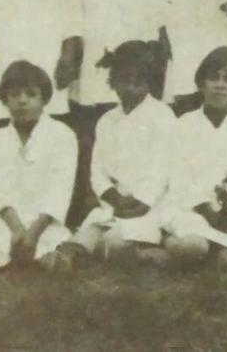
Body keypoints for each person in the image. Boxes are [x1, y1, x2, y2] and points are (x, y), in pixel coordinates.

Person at [66, 41, 175, 262]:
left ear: (149, 82)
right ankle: (70, 255)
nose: (130, 88)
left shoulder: (162, 116)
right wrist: (112, 197)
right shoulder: (107, 120)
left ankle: (148, 254)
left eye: (138, 81)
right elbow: (97, 170)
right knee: (89, 233)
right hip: (115, 203)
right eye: (123, 81)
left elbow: (162, 171)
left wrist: (141, 202)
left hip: (149, 205)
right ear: (112, 82)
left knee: (113, 241)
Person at [162, 47, 227, 266]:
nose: (220, 85)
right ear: (201, 83)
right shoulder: (184, 124)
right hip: (192, 208)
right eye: (213, 77)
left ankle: (208, 255)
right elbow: (179, 178)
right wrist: (205, 208)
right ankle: (187, 248)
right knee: (192, 244)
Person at [0, 62, 77, 272]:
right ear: (5, 100)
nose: (22, 101)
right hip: (4, 219)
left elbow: (60, 188)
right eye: (14, 95)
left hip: (43, 222)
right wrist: (17, 229)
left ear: (44, 99)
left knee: (54, 246)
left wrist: (32, 234)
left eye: (31, 94)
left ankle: (46, 255)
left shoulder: (62, 135)